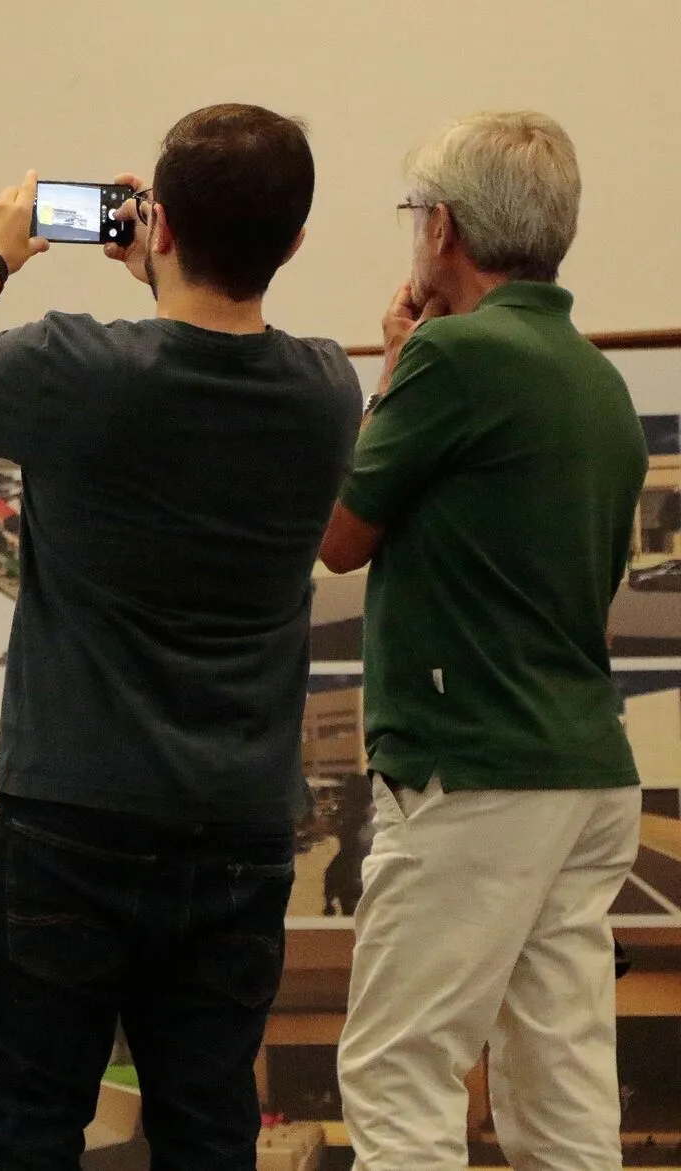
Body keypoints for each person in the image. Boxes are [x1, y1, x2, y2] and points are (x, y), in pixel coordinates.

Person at [0, 104, 362, 1168]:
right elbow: (207, 344)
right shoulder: (327, 387)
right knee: (209, 1132)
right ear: (293, 243)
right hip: (238, 830)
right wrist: (166, 273)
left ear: (164, 223)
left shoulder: (79, 365)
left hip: (72, 819)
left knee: (27, 1131)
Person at [322, 111, 645, 1170]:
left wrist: (393, 368)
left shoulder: (453, 355)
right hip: (585, 767)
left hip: (472, 765)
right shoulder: (595, 377)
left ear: (442, 228)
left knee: (400, 1069)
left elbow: (340, 539)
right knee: (562, 1084)